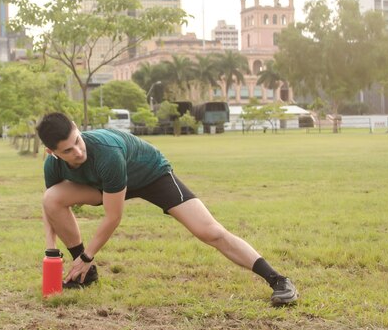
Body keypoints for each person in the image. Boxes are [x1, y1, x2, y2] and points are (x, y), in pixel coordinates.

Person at [36, 112, 298, 306]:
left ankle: (278, 280)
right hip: (104, 185)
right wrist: (51, 249)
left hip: (151, 175)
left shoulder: (106, 152)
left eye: (78, 141)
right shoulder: (53, 165)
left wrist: (88, 255)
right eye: (68, 150)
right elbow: (51, 207)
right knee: (51, 198)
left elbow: (113, 217)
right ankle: (87, 276)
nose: (78, 151)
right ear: (52, 152)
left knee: (209, 231)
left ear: (78, 128)